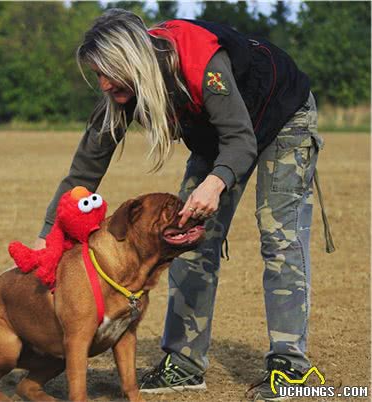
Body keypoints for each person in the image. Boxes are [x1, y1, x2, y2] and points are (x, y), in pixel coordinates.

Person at [32, 8, 335, 401]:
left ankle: (291, 367)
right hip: (218, 135)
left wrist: (215, 183)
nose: (104, 84)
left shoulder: (200, 61)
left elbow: (241, 140)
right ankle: (185, 363)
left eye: (109, 71)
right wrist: (46, 237)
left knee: (279, 237)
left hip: (282, 116)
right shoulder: (121, 94)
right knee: (182, 237)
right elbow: (83, 173)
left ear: (133, 60)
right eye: (97, 75)